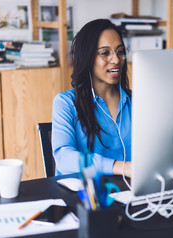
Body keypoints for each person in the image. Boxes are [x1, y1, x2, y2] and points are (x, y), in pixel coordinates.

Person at [52, 19, 132, 177]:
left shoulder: (138, 101)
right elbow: (64, 158)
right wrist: (120, 167)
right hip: (85, 197)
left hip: (132, 193)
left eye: (120, 51)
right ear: (87, 57)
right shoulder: (66, 102)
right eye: (105, 53)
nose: (116, 60)